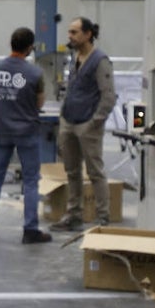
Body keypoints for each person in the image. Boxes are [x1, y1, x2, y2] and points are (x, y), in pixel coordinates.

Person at [0, 27, 52, 244]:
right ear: (30, 47)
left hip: (1, 130)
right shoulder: (35, 73)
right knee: (30, 181)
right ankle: (30, 230)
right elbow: (39, 104)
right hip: (27, 132)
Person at [51, 17, 116, 231]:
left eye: (74, 32)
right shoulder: (74, 57)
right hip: (69, 121)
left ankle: (103, 217)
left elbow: (108, 96)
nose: (70, 36)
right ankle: (74, 214)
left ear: (88, 34)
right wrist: (63, 116)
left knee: (95, 171)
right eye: (69, 32)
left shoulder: (100, 60)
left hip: (88, 124)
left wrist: (94, 122)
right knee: (72, 171)